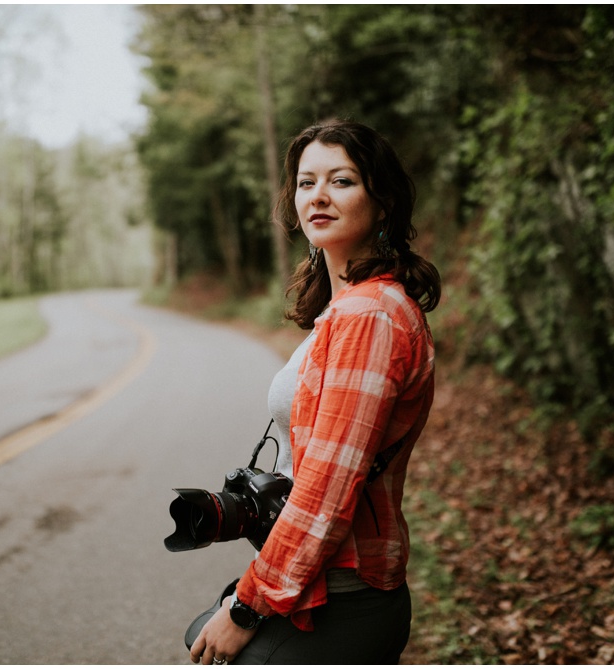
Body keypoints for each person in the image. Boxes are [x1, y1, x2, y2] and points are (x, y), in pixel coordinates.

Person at [190, 119, 440, 665]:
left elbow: (326, 491)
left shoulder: (369, 315)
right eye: (306, 183)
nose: (318, 197)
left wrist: (245, 607)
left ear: (383, 201)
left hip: (341, 598)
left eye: (342, 181)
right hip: (320, 586)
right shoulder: (345, 309)